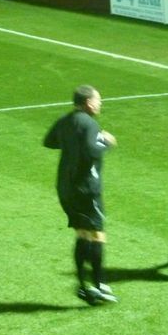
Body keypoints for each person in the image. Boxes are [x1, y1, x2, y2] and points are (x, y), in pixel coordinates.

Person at [44, 85, 119, 305]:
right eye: (98, 100)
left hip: (66, 187)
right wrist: (106, 141)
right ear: (88, 103)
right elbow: (91, 150)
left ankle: (83, 286)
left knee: (82, 234)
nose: (100, 104)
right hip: (86, 188)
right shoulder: (89, 123)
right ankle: (99, 285)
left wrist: (70, 144)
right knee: (97, 235)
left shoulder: (65, 120)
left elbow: (48, 141)